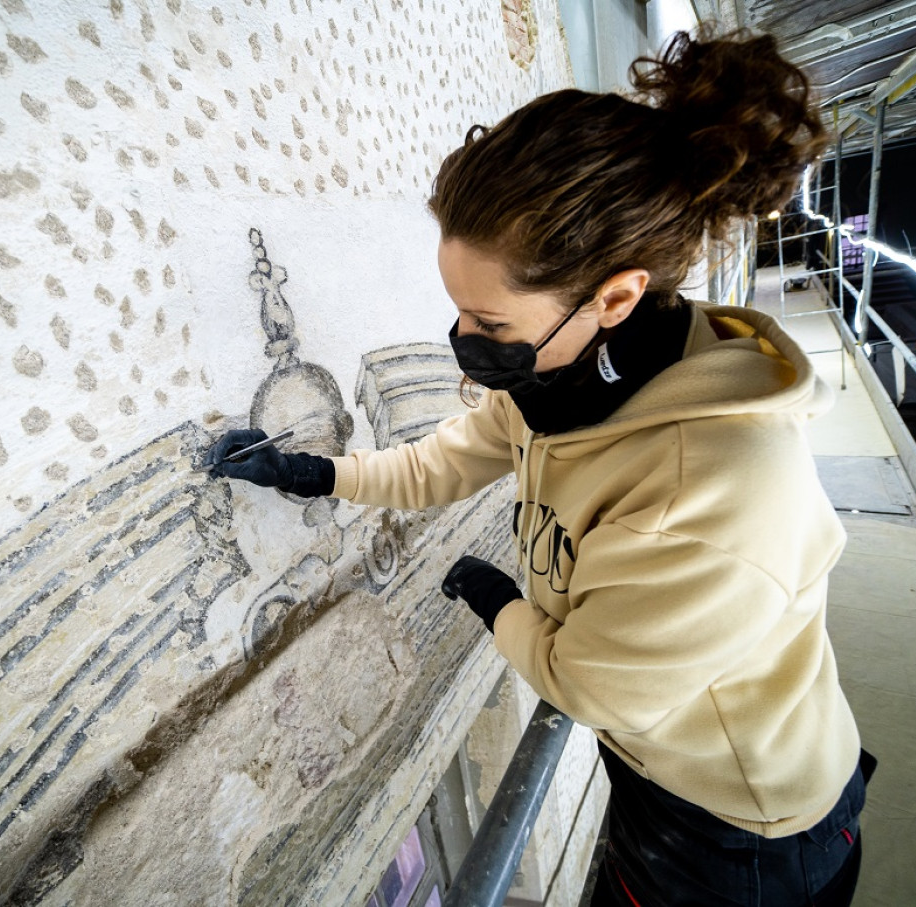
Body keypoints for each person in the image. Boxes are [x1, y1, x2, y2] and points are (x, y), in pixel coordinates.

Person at [207, 28, 873, 907]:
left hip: (738, 833)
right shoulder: (566, 376)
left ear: (617, 296)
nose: (464, 348)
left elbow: (589, 684)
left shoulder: (704, 493)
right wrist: (319, 474)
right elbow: (451, 456)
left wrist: (500, 604)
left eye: (491, 326)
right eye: (457, 313)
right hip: (660, 770)